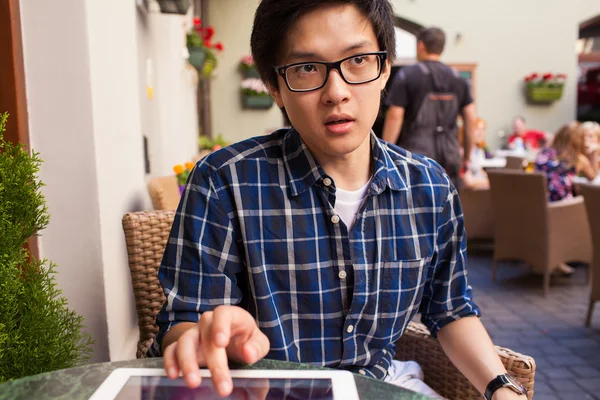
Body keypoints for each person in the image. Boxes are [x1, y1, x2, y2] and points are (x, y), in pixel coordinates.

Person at [149, 2, 527, 400]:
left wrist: (501, 386)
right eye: (307, 68)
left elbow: (450, 310)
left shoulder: (429, 188)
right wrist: (208, 338)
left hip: (382, 386)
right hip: (261, 391)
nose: (337, 93)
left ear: (385, 69)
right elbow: (184, 321)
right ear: (274, 85)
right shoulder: (224, 181)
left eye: (359, 60)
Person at [382, 27, 477, 189]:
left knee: (416, 210)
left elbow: (394, 117)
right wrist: (467, 156)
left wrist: (384, 154)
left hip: (415, 158)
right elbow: (470, 120)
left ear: (420, 46)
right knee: (448, 208)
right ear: (442, 48)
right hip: (450, 156)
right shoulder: (459, 79)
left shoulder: (407, 75)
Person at [535, 121, 596, 202]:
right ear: (579, 140)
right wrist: (593, 154)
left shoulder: (543, 153)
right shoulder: (578, 159)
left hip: (538, 204)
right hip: (562, 208)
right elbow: (593, 179)